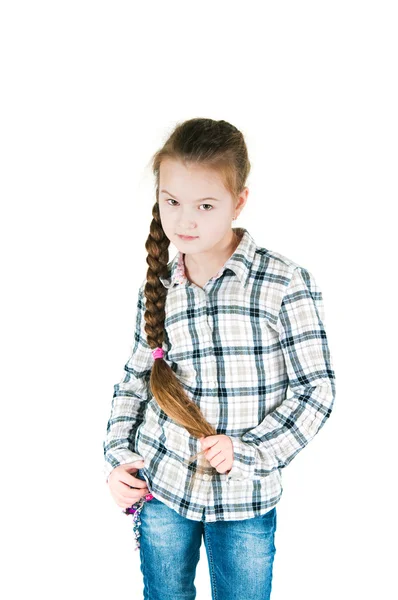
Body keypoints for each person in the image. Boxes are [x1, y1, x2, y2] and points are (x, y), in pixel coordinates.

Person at [103, 117, 336, 600]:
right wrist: (119, 458)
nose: (185, 221)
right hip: (162, 489)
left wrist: (248, 451)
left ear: (239, 201)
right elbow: (134, 380)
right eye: (171, 202)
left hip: (246, 497)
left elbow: (317, 389)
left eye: (205, 206)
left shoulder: (283, 283)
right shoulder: (160, 287)